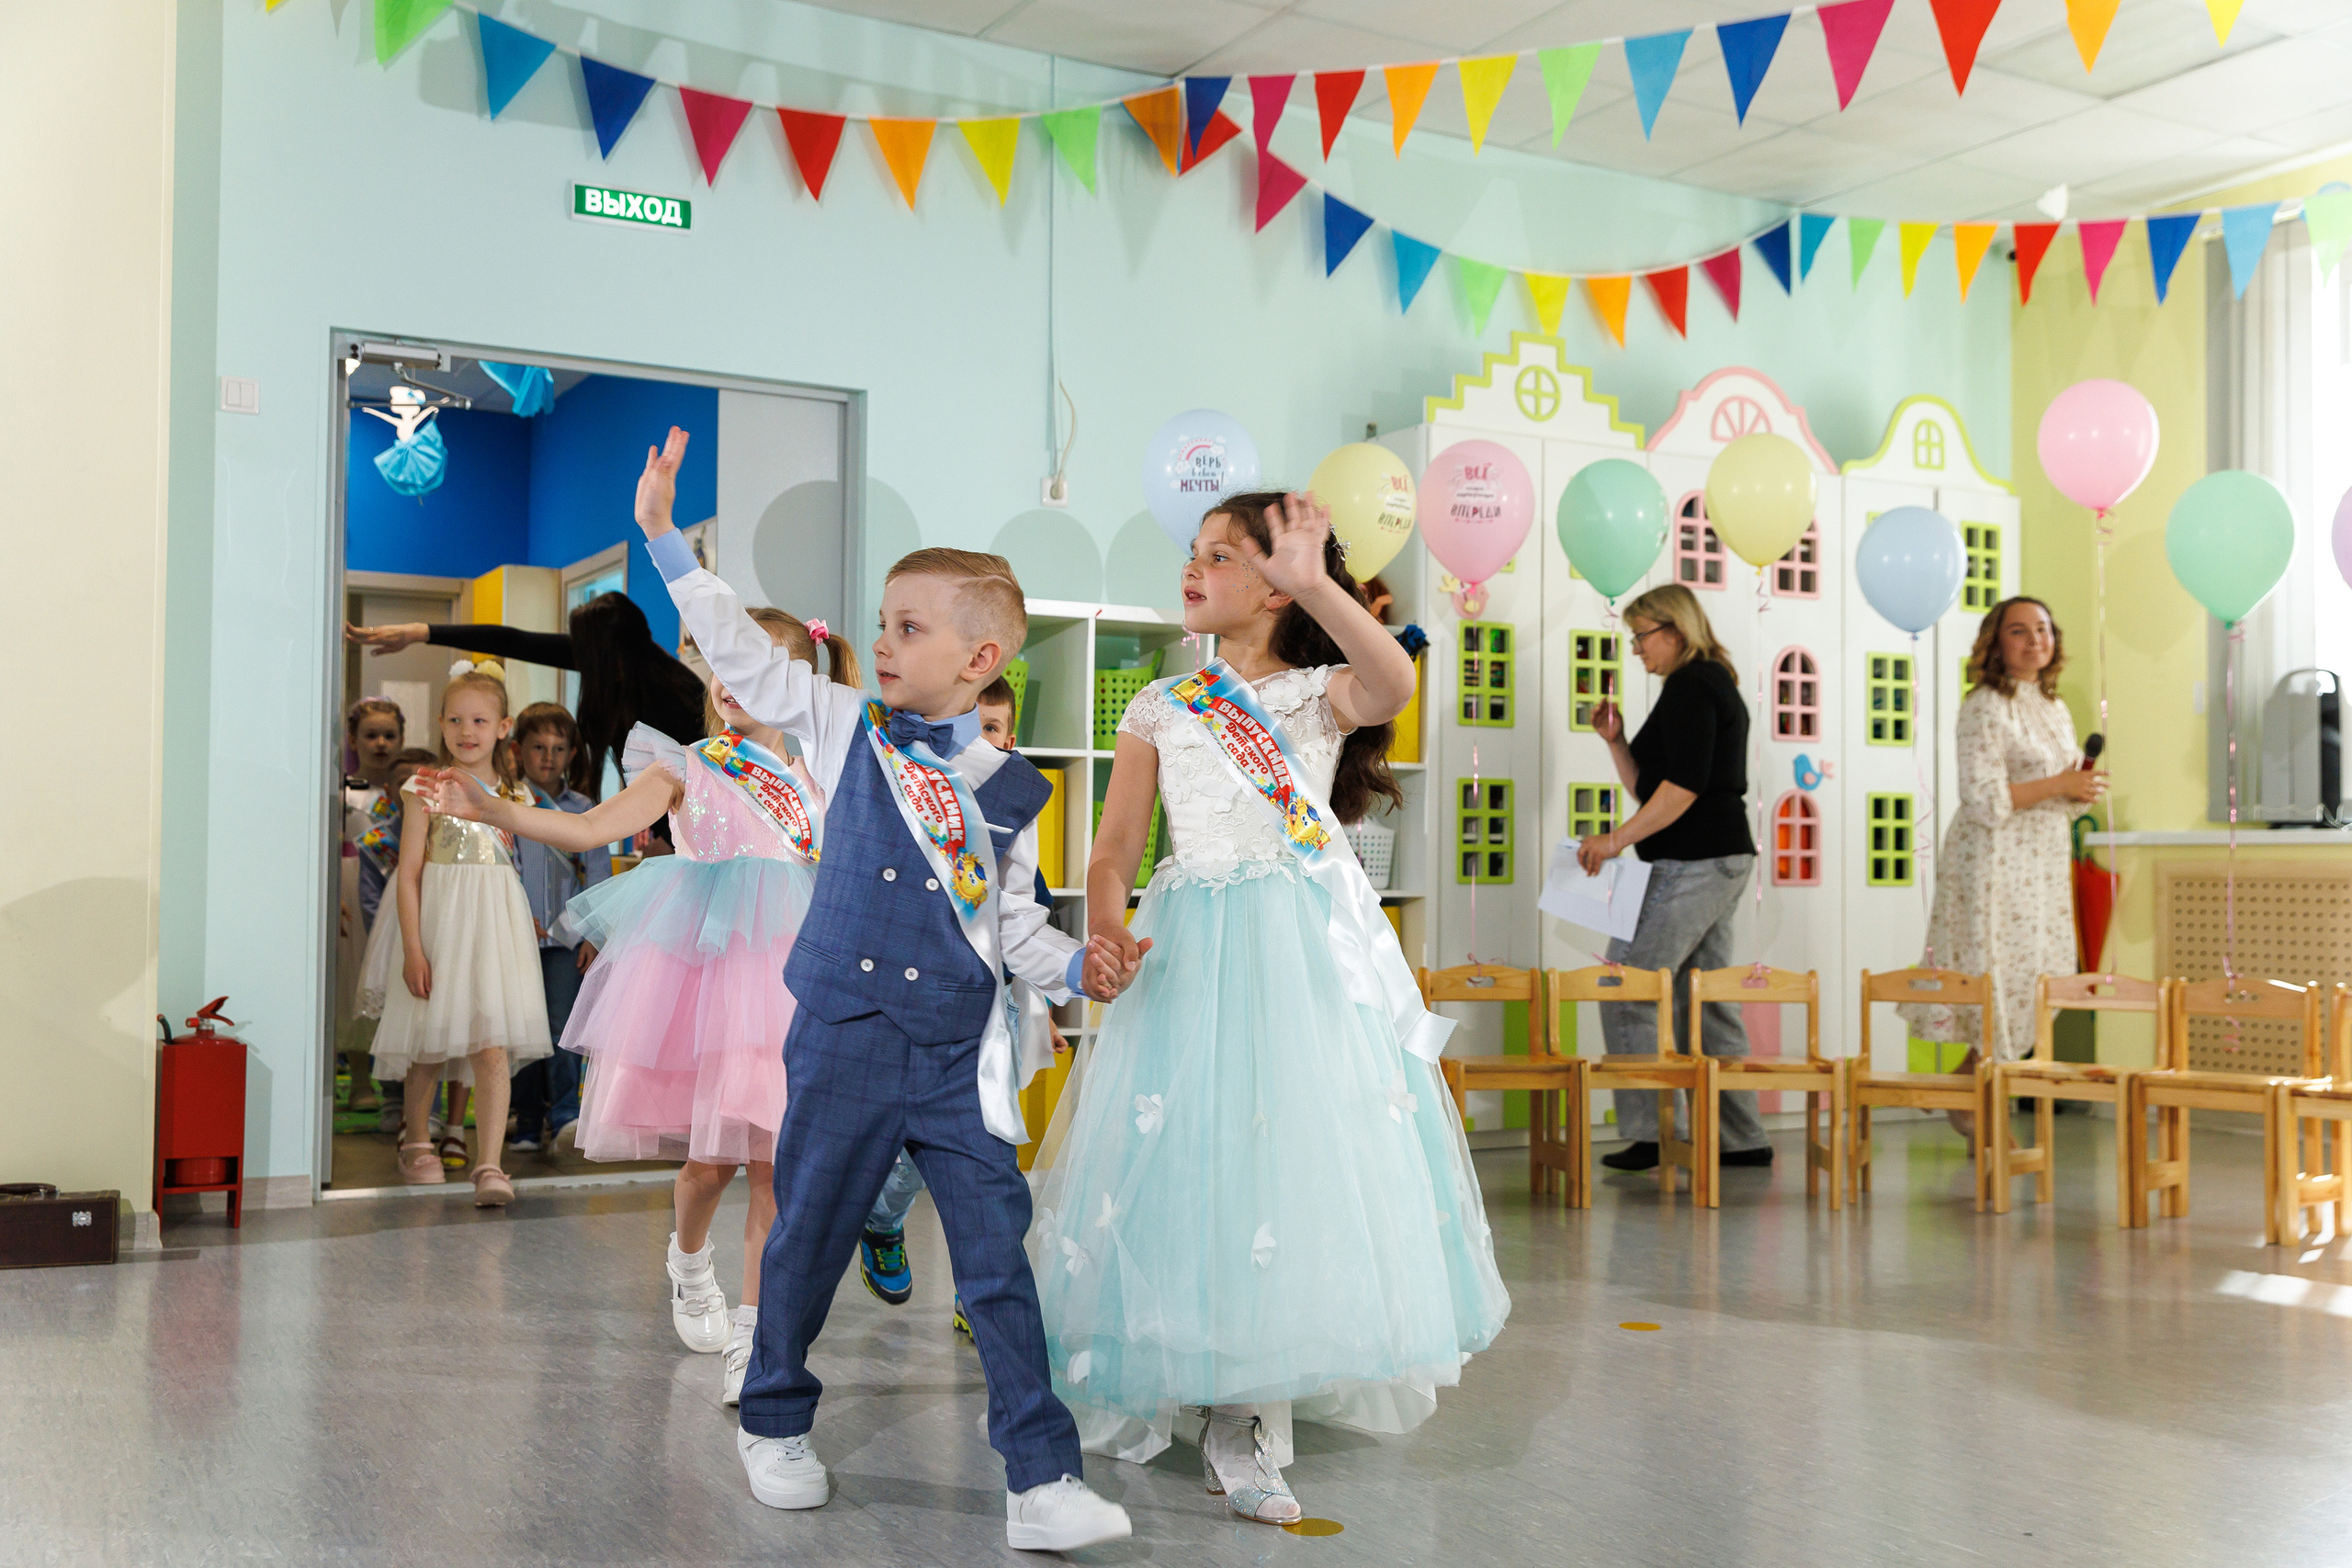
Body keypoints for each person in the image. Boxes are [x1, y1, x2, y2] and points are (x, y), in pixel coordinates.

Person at [639, 426, 1136, 1552]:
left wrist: (1081, 966)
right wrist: (668, 541)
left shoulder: (1014, 785)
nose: (881, 638)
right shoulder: (842, 723)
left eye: (909, 626)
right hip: (846, 1035)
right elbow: (749, 659)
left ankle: (1040, 1477)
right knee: (806, 1233)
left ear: (982, 658)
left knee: (998, 1258)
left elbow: (1012, 926)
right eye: (881, 620)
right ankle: (771, 1421)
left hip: (959, 1053)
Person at [1052, 491, 1509, 1526]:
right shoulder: (1160, 704)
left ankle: (1248, 1414)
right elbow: (1116, 845)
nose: (1193, 568)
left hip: (1294, 951)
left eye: (1220, 556)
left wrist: (1320, 588)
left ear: (1273, 583)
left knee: (1279, 1158)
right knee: (1189, 1156)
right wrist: (1108, 921)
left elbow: (1391, 682)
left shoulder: (1316, 693)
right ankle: (1192, 1366)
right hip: (1188, 945)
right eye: (1192, 552)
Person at [422, 608, 855, 1404]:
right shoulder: (683, 766)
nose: (728, 682)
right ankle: (689, 1261)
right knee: (709, 1164)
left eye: (751, 666)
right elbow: (585, 827)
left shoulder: (823, 777)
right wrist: (495, 809)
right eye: (719, 664)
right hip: (701, 971)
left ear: (797, 683)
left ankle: (755, 1344)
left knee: (774, 1170)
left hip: (790, 978)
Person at [859, 674, 1067, 1334]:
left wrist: (1043, 1010)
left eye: (999, 730)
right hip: (921, 1009)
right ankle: (883, 1216)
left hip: (996, 1013)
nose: (989, 743)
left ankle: (980, 1288)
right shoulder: (912, 809)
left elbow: (1025, 923)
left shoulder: (1016, 808)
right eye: (976, 730)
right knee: (921, 1158)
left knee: (990, 1157)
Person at [1577, 582, 1772, 1172]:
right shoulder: (1701, 684)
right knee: (1703, 1000)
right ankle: (1740, 1138)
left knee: (1627, 984)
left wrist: (1615, 841)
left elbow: (1683, 790)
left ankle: (1654, 1133)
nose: (1636, 649)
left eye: (1642, 636)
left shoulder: (1692, 684)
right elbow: (1651, 785)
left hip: (1694, 861)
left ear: (1675, 631)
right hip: (1719, 858)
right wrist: (1615, 742)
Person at [1900, 596, 2105, 1137]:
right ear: (1996, 643)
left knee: (2039, 976)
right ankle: (1975, 1098)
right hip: (1993, 859)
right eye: (2020, 631)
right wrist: (2060, 783)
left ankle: (1959, 1087)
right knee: (1997, 975)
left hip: (2041, 860)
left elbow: (2058, 793)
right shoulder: (1985, 705)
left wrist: (2078, 788)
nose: (2035, 640)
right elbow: (1983, 798)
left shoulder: (2054, 706)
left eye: (2043, 629)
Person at [356, 662, 552, 1206]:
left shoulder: (516, 793)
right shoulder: (425, 787)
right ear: (440, 724)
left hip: (494, 923)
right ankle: (416, 1139)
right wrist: (414, 947)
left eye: (480, 721)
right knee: (429, 1041)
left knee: (492, 1045)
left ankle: (490, 1163)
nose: (468, 732)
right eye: (457, 720)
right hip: (440, 921)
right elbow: (410, 872)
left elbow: (525, 864)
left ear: (503, 727)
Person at [347, 591, 708, 794]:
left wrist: (665, 826)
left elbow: (701, 777)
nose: (576, 656)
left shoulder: (676, 695)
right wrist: (420, 632)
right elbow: (515, 640)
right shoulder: (617, 663)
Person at [503, 703, 611, 1154]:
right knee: (520, 1026)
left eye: (559, 748)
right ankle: (526, 1117)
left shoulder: (584, 809)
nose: (548, 757)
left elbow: (600, 876)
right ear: (517, 751)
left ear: (571, 754)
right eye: (538, 747)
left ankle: (566, 1113)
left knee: (562, 1026)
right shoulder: (507, 804)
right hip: (515, 935)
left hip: (567, 940)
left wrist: (594, 935)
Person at [337, 698, 407, 1114]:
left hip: (396, 884)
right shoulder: (343, 791)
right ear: (353, 740)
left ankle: (396, 1085)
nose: (380, 743)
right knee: (354, 982)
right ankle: (360, 1078)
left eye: (389, 735)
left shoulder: (408, 789)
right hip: (351, 887)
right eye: (370, 735)